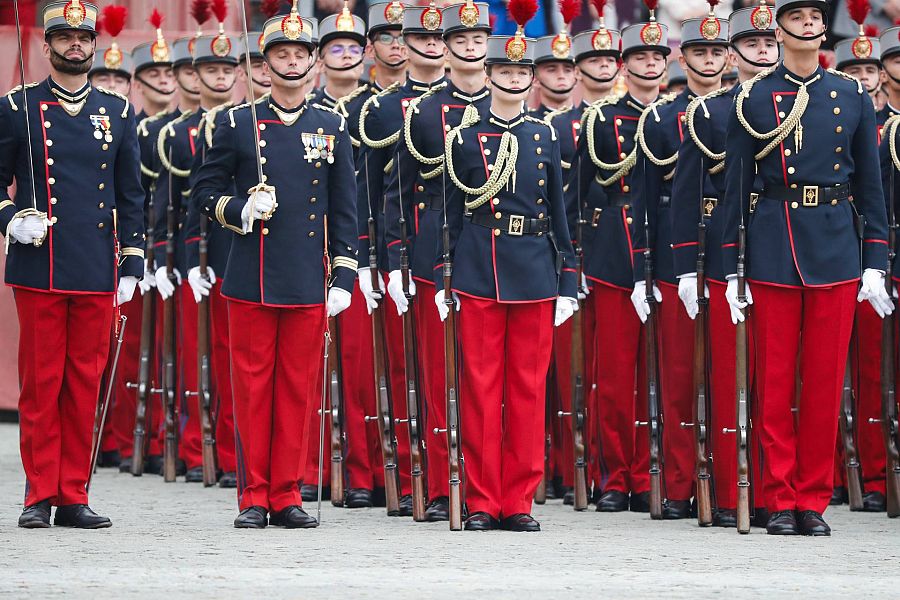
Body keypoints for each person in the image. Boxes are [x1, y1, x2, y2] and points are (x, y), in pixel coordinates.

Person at [721, 0, 891, 536]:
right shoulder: (754, 97)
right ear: (779, 30)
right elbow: (735, 189)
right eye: (797, 18)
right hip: (774, 238)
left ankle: (812, 499)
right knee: (774, 383)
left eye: (815, 18)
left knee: (822, 383)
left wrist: (876, 258)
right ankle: (778, 496)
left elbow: (871, 185)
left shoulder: (849, 94)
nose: (809, 25)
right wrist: (731, 266)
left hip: (837, 240)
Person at [191, 2, 358, 528]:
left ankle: (288, 493)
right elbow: (204, 191)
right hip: (252, 275)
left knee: (297, 390)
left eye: (299, 53)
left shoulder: (331, 125)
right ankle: (253, 495)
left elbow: (345, 207)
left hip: (307, 275)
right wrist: (240, 208)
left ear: (313, 62)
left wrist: (346, 274)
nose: (290, 62)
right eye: (280, 54)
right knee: (253, 389)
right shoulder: (238, 123)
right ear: (264, 64)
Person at [3, 0, 144, 528]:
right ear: (47, 46)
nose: (75, 45)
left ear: (94, 44)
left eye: (83, 37)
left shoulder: (118, 110)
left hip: (94, 266)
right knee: (42, 383)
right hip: (40, 263)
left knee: (85, 382)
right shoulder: (16, 107)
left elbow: (131, 194)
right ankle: (38, 493)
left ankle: (73, 493)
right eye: (64, 37)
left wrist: (131, 261)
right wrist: (11, 218)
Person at [437, 1, 578, 531]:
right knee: (480, 388)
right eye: (506, 72)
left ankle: (518, 499)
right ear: (488, 75)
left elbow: (562, 215)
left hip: (536, 270)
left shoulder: (544, 134)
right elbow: (451, 214)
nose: (515, 80)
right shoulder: (464, 138)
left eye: (523, 73)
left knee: (526, 390)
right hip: (478, 270)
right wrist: (443, 273)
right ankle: (481, 498)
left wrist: (568, 278)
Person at [668, 0, 778, 527]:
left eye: (767, 43)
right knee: (725, 374)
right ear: (733, 55)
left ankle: (776, 487)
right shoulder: (711, 110)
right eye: (751, 45)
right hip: (726, 250)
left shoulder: (797, 104)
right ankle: (731, 486)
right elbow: (687, 193)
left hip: (782, 246)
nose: (760, 53)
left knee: (775, 377)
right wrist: (689, 267)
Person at [382, 0, 492, 522]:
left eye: (478, 41)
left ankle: (486, 480)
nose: (471, 49)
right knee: (436, 371)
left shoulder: (508, 108)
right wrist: (394, 256)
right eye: (461, 42)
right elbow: (398, 192)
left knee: (486, 374)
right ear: (444, 48)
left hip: (494, 255)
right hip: (435, 254)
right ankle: (437, 477)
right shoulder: (422, 111)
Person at [629, 1, 730, 521]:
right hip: (675, 256)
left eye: (717, 50)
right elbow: (644, 200)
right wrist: (642, 268)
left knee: (731, 377)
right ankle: (676, 482)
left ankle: (732, 486)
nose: (709, 60)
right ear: (680, 57)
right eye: (699, 51)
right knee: (676, 376)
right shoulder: (662, 117)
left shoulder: (746, 109)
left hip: (734, 251)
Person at [567, 5, 668, 514]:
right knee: (614, 373)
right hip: (613, 250)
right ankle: (615, 475)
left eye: (657, 56)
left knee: (666, 373)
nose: (649, 64)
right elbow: (578, 194)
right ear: (623, 66)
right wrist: (577, 258)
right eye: (640, 57)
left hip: (667, 251)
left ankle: (658, 472)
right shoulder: (600, 118)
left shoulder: (678, 115)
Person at [354, 1, 447, 515]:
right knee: (405, 369)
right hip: (403, 246)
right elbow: (373, 192)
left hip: (451, 246)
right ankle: (413, 475)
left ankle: (445, 476)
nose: (432, 45)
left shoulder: (468, 104)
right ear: (402, 45)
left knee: (447, 371)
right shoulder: (385, 108)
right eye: (421, 38)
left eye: (440, 39)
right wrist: (375, 260)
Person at [152, 12, 239, 484]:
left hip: (234, 248)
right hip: (198, 257)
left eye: (228, 71)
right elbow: (172, 206)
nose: (220, 77)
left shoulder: (247, 123)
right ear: (196, 74)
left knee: (231, 363)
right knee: (195, 357)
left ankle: (229, 451)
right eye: (211, 70)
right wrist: (179, 260)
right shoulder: (175, 133)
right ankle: (193, 447)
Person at [329, 1, 408, 510]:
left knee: (404, 367)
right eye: (387, 36)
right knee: (357, 367)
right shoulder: (352, 110)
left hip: (407, 248)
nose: (398, 44)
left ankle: (401, 469)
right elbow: (349, 192)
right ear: (372, 49)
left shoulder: (436, 105)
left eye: (405, 35)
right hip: (361, 247)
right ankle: (361, 470)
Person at [546, 13, 622, 505]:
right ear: (575, 69)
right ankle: (561, 466)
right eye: (589, 59)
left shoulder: (630, 118)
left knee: (610, 374)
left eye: (606, 59)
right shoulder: (554, 125)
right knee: (562, 374)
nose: (598, 66)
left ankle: (606, 469)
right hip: (572, 258)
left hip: (617, 255)